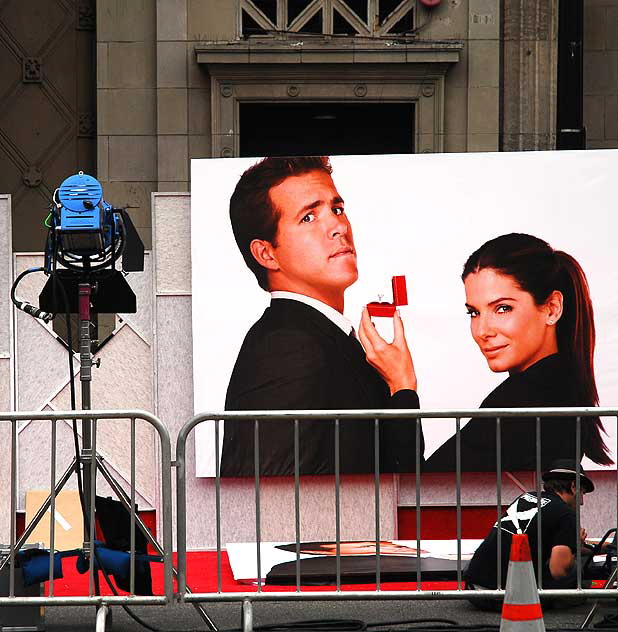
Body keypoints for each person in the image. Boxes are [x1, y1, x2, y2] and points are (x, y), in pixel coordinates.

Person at [220, 156, 423, 476]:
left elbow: (398, 474)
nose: (338, 226)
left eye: (337, 209)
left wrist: (402, 386)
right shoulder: (287, 347)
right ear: (266, 253)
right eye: (309, 217)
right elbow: (274, 500)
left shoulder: (323, 337)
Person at [425, 232, 612, 472]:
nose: (482, 330)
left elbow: (418, 493)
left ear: (552, 309)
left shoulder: (525, 400)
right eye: (474, 312)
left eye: (502, 308)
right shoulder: (563, 389)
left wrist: (402, 386)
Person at [464, 459, 597, 611]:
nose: (582, 503)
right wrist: (576, 547)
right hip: (501, 598)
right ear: (574, 486)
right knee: (576, 568)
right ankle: (558, 602)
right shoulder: (566, 514)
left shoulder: (527, 497)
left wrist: (598, 547)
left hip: (473, 589)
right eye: (583, 493)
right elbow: (558, 570)